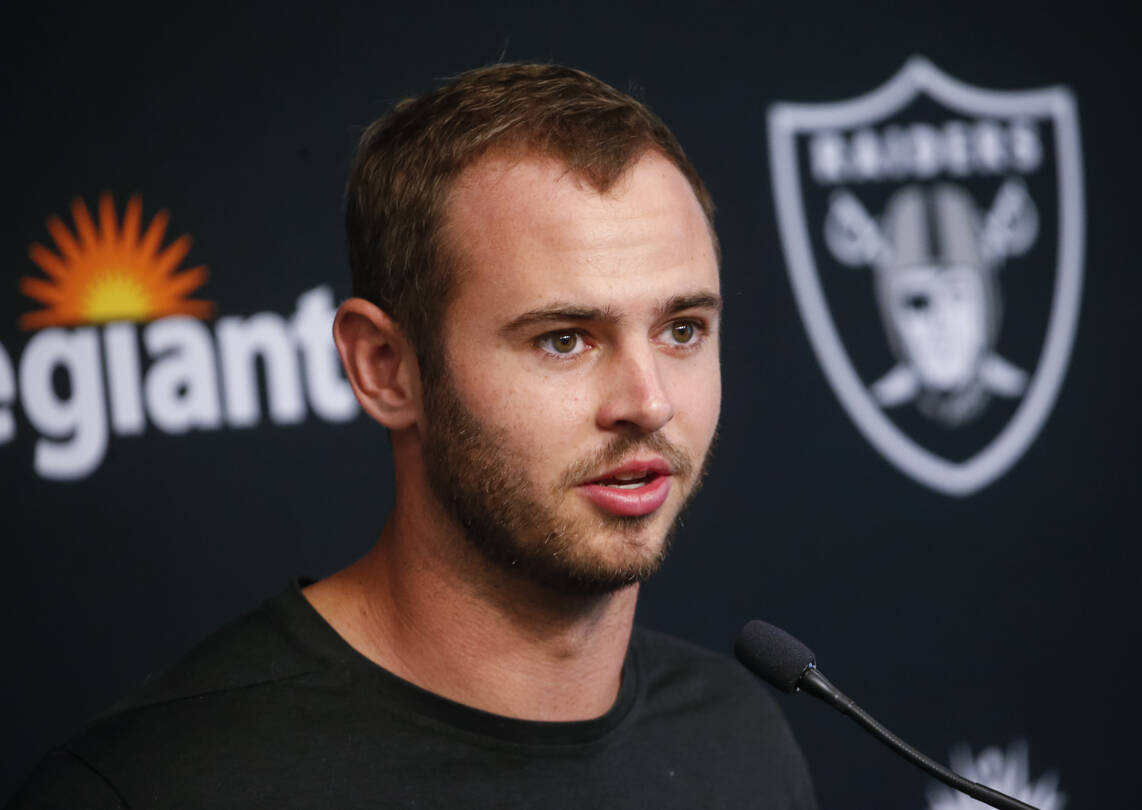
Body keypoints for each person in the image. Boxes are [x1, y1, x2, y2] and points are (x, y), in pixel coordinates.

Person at [9, 63, 818, 809]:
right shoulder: (147, 789)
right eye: (564, 338)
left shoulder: (740, 736)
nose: (648, 403)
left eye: (682, 329)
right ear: (386, 368)